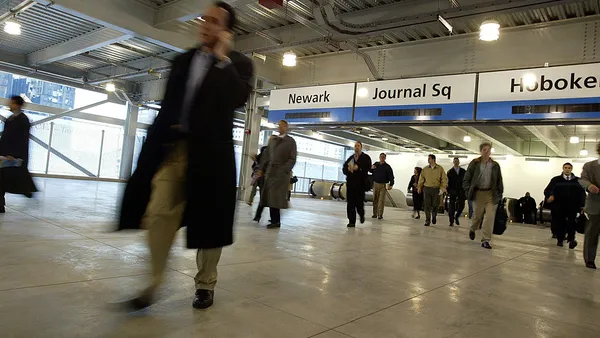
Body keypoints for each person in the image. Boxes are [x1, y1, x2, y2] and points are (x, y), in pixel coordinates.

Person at [117, 2, 254, 310]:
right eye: (204, 18)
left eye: (214, 21)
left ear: (226, 30)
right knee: (159, 212)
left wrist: (222, 59)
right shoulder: (181, 61)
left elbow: (237, 99)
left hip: (212, 156)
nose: (204, 24)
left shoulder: (239, 64)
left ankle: (205, 284)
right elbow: (168, 107)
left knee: (209, 224)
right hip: (176, 151)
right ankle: (152, 284)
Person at [254, 120, 297, 228]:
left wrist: (284, 170)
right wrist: (261, 169)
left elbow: (292, 158)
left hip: (281, 174)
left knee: (275, 197)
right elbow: (266, 156)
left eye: (282, 125)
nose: (280, 127)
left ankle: (275, 221)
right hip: (270, 173)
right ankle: (273, 219)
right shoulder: (273, 140)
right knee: (270, 197)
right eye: (279, 125)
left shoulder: (290, 141)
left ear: (286, 127)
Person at [0, 95, 37, 212]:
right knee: (2, 179)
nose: (9, 105)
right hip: (5, 155)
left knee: (5, 179)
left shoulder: (23, 120)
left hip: (13, 156)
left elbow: (22, 140)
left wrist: (13, 154)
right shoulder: (11, 119)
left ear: (17, 105)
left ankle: (26, 189)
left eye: (12, 103)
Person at [464, 142, 504, 249]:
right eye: (484, 150)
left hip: (491, 193)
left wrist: (499, 194)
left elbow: (499, 181)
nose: (487, 152)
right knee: (477, 216)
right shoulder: (475, 163)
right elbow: (467, 179)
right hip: (478, 193)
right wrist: (468, 191)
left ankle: (485, 240)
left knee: (489, 217)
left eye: (488, 150)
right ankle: (473, 228)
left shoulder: (495, 165)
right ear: (481, 151)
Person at [544, 162, 585, 248]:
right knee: (560, 223)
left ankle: (571, 239)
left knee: (572, 223)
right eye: (565, 167)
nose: (567, 169)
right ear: (563, 169)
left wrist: (582, 205)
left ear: (571, 169)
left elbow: (582, 193)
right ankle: (560, 240)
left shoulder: (577, 181)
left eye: (569, 168)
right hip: (559, 206)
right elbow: (547, 190)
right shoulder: (555, 180)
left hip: (572, 206)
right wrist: (551, 195)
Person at [579, 143, 600, 269]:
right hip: (595, 203)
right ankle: (589, 259)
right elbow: (582, 179)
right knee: (592, 233)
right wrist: (589, 186)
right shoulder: (590, 166)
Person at [343, 141, 372, 227]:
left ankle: (361, 214)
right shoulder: (351, 158)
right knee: (350, 203)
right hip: (351, 185)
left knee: (359, 203)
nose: (356, 147)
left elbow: (367, 169)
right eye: (355, 146)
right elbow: (344, 169)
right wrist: (348, 169)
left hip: (360, 185)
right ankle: (351, 221)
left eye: (358, 146)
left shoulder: (366, 158)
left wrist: (358, 168)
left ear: (361, 147)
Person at [417, 154, 447, 226]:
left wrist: (443, 188)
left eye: (429, 159)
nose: (428, 160)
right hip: (427, 188)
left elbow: (444, 179)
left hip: (436, 189)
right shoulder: (425, 169)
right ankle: (427, 220)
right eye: (428, 159)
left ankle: (434, 215)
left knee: (435, 205)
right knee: (427, 205)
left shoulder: (440, 169)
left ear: (433, 160)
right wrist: (419, 187)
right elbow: (421, 179)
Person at [370, 153, 394, 220]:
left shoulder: (387, 167)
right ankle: (374, 213)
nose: (382, 158)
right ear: (379, 157)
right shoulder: (376, 164)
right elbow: (370, 171)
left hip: (383, 185)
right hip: (375, 184)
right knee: (375, 199)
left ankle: (380, 214)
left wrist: (391, 184)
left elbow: (391, 177)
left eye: (383, 157)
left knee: (381, 200)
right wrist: (371, 168)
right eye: (381, 157)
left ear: (385, 158)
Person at [447, 157, 466, 227]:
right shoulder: (450, 172)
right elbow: (447, 182)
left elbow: (466, 180)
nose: (456, 162)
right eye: (455, 161)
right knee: (451, 206)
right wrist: (448, 190)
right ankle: (451, 221)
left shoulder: (463, 171)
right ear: (453, 162)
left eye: (457, 161)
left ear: (459, 162)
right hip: (453, 190)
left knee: (461, 205)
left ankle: (457, 216)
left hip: (461, 191)